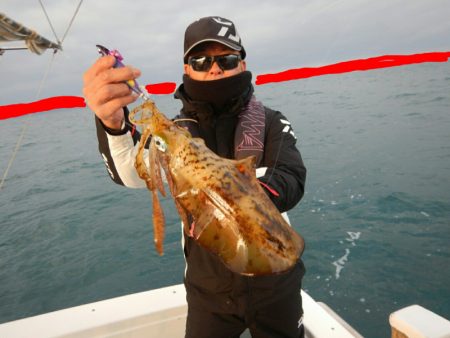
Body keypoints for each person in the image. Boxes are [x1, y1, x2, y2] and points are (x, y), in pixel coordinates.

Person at [83, 16, 307, 338]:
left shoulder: (271, 121)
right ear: (187, 69)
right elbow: (132, 173)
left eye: (226, 60)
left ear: (241, 64)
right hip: (209, 290)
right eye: (201, 61)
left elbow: (291, 177)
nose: (214, 69)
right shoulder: (175, 133)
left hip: (277, 279)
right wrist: (112, 124)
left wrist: (233, 189)